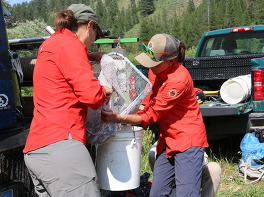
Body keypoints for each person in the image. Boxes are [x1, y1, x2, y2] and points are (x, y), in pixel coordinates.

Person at [102, 33, 209, 197]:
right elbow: (149, 99)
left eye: (155, 64)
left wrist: (120, 118)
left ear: (171, 60)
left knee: (186, 194)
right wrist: (136, 107)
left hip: (188, 141)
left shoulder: (178, 80)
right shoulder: (156, 70)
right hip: (167, 139)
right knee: (157, 193)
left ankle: (207, 178)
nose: (151, 67)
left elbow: (150, 116)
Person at [23, 4, 112, 196]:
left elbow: (60, 68)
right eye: (94, 37)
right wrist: (106, 90)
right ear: (89, 25)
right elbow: (92, 96)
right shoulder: (71, 45)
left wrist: (87, 56)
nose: (91, 44)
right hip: (62, 148)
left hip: (38, 150)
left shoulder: (52, 43)